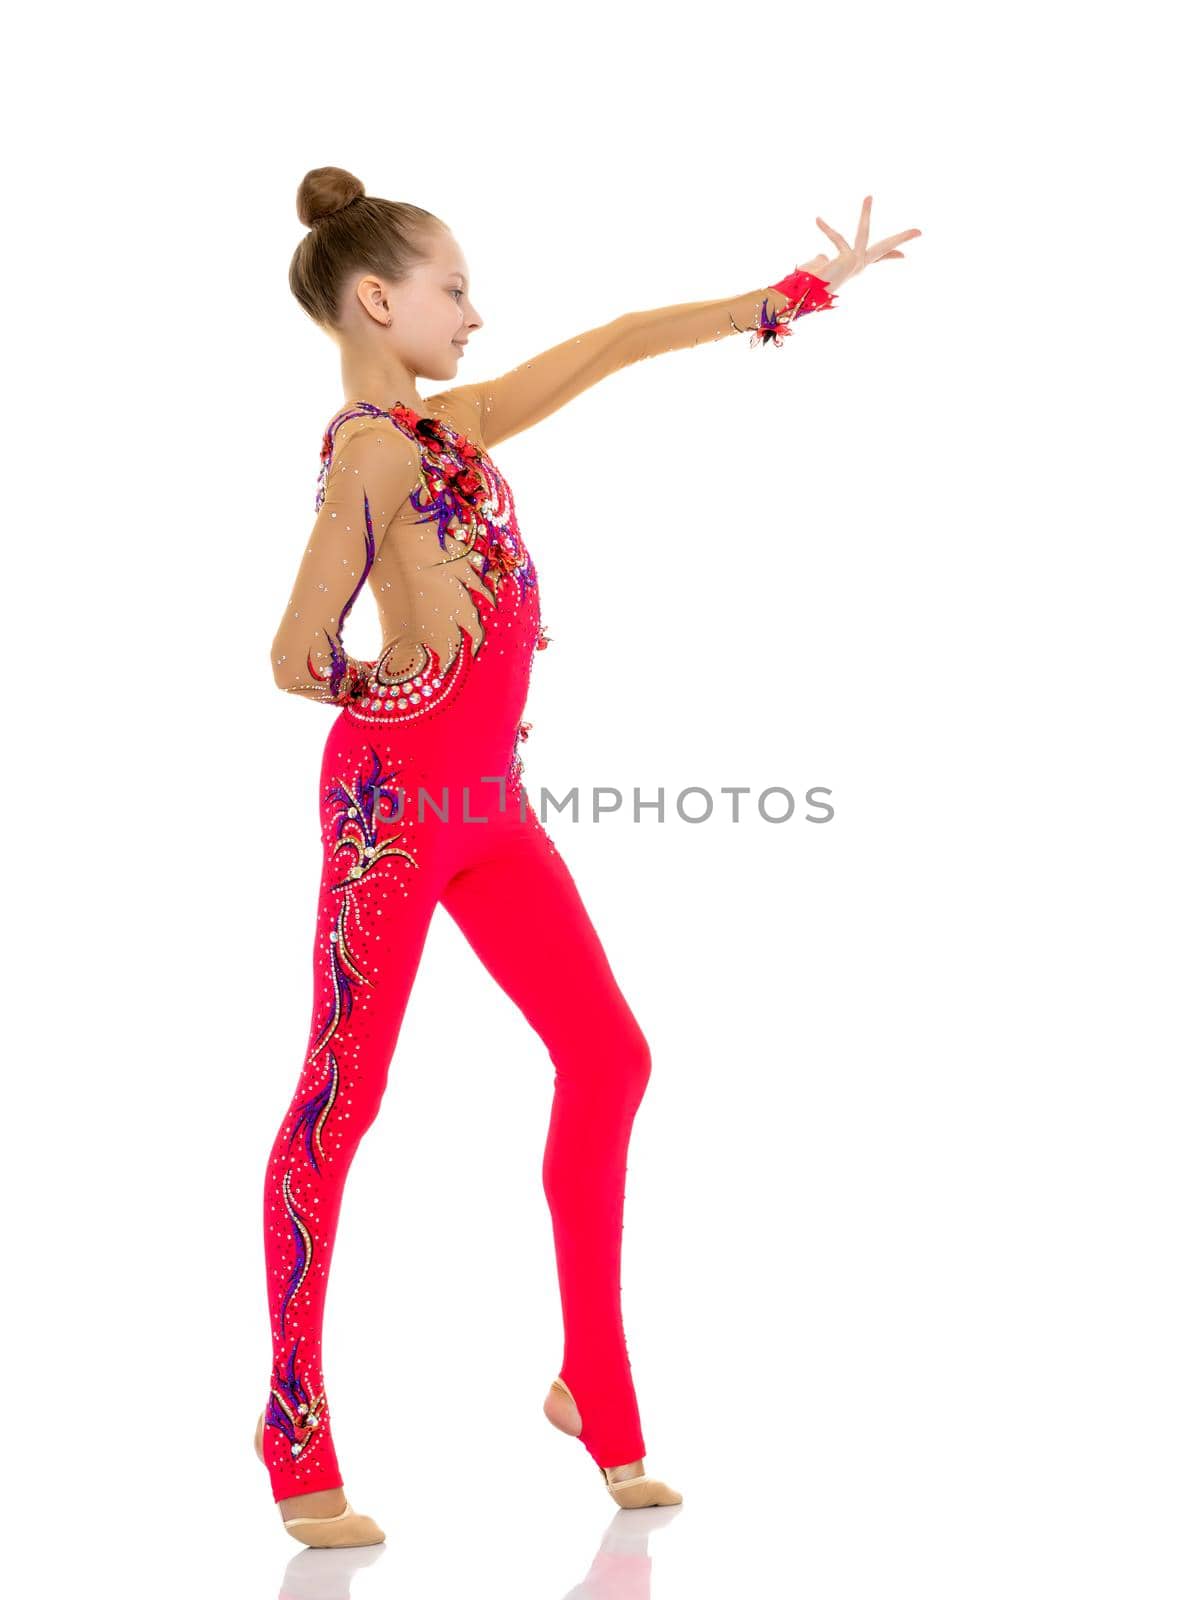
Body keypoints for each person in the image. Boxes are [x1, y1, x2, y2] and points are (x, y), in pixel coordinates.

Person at [254, 165, 920, 1548]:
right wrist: (408, 697)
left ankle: (593, 1384)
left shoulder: (455, 427)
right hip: (391, 818)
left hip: (488, 814)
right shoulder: (374, 448)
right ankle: (295, 1420)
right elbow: (294, 656)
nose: (478, 315)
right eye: (455, 291)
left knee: (609, 1056)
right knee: (345, 1094)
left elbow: (614, 341)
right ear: (382, 299)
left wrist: (792, 297)